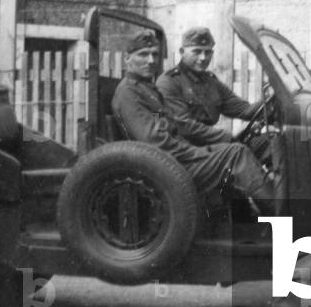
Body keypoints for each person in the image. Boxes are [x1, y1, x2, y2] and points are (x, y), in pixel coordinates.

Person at [112, 29, 274, 213]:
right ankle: (282, 216)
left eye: (155, 54)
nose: (151, 60)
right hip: (166, 169)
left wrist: (272, 101)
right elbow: (156, 141)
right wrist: (200, 151)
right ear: (127, 58)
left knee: (256, 145)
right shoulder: (130, 92)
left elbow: (165, 126)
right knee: (237, 154)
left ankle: (256, 214)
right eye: (143, 54)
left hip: (176, 160)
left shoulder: (147, 90)